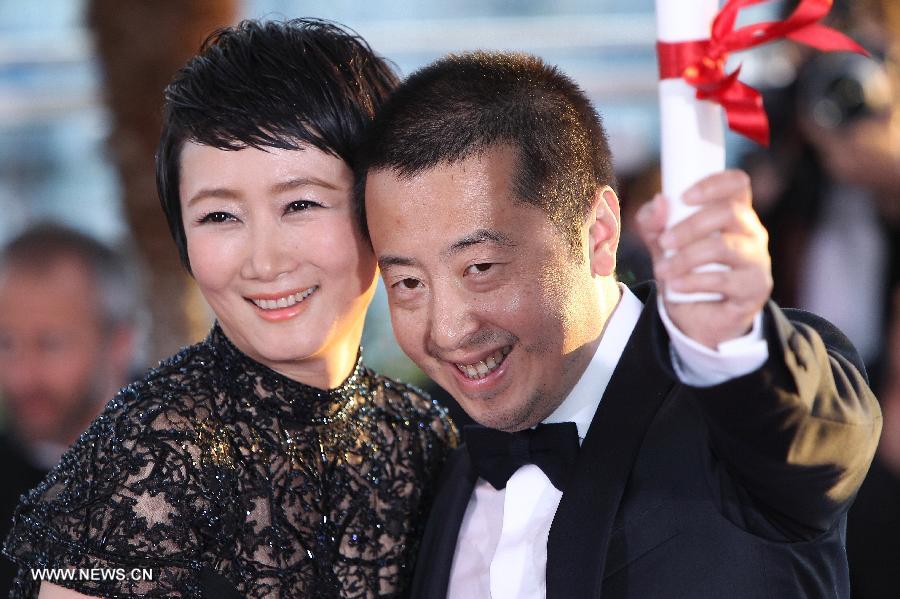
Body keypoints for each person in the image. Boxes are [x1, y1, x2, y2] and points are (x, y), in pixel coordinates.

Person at [359, 51, 881, 598]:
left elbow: (811, 438)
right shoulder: (438, 479)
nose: (446, 330)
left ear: (599, 234)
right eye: (408, 284)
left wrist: (735, 337)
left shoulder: (728, 414)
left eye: (481, 268)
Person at [3, 19, 455, 599]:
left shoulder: (422, 437)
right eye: (219, 216)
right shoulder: (147, 459)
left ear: (383, 205)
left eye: (300, 204)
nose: (264, 262)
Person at [0, 223, 140, 594]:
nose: (22, 375)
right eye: (7, 344)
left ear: (119, 344)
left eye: (51, 343)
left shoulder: (188, 463)